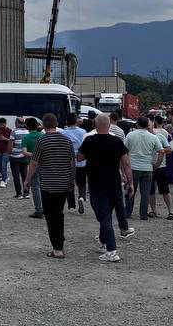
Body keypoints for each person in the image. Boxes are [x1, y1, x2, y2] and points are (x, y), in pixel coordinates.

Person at [78, 114, 135, 263]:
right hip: (114, 183)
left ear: (95, 126)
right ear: (109, 125)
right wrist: (131, 183)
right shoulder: (117, 141)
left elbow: (79, 157)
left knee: (103, 217)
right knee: (107, 214)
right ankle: (104, 241)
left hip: (97, 183)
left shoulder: (89, 140)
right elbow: (126, 164)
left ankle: (111, 250)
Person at [24, 113, 77, 258]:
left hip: (47, 185)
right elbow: (72, 162)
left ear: (44, 125)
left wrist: (27, 180)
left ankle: (57, 249)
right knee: (59, 213)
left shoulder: (42, 141)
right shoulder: (67, 141)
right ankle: (60, 240)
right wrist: (72, 180)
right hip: (63, 184)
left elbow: (34, 163)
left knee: (50, 216)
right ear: (56, 123)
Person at [125, 117, 165, 221]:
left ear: (137, 124)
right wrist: (156, 165)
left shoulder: (130, 135)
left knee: (130, 190)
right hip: (147, 168)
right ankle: (143, 214)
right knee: (145, 193)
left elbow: (124, 151)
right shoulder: (153, 137)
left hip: (133, 167)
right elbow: (161, 151)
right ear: (147, 125)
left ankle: (127, 213)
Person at [61, 112, 89, 214]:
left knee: (70, 183)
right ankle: (81, 196)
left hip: (68, 161)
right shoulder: (83, 132)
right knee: (81, 183)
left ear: (67, 121)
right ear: (76, 120)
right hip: (81, 160)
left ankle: (71, 204)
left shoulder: (63, 133)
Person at [150, 114, 173, 219]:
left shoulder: (160, 135)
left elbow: (168, 149)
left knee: (159, 190)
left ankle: (164, 211)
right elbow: (169, 149)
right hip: (155, 165)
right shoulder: (165, 133)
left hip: (158, 165)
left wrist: (159, 150)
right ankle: (162, 211)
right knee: (156, 190)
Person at [22, 117, 45, 217]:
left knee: (35, 188)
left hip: (32, 164)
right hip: (44, 164)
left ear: (27, 126)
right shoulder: (42, 135)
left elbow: (24, 152)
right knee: (44, 187)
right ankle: (46, 208)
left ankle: (39, 210)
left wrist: (34, 155)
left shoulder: (26, 138)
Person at [10, 117, 30, 198]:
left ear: (17, 123)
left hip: (14, 157)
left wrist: (9, 152)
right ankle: (26, 193)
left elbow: (10, 145)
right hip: (24, 157)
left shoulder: (14, 132)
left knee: (16, 176)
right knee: (25, 175)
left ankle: (19, 194)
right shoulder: (27, 132)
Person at [0, 117, 13, 190]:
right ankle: (5, 176)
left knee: (3, 165)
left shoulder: (10, 131)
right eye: (0, 124)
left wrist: (5, 139)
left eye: (2, 124)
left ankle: (3, 180)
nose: (1, 126)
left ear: (5, 124)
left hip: (6, 150)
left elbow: (11, 141)